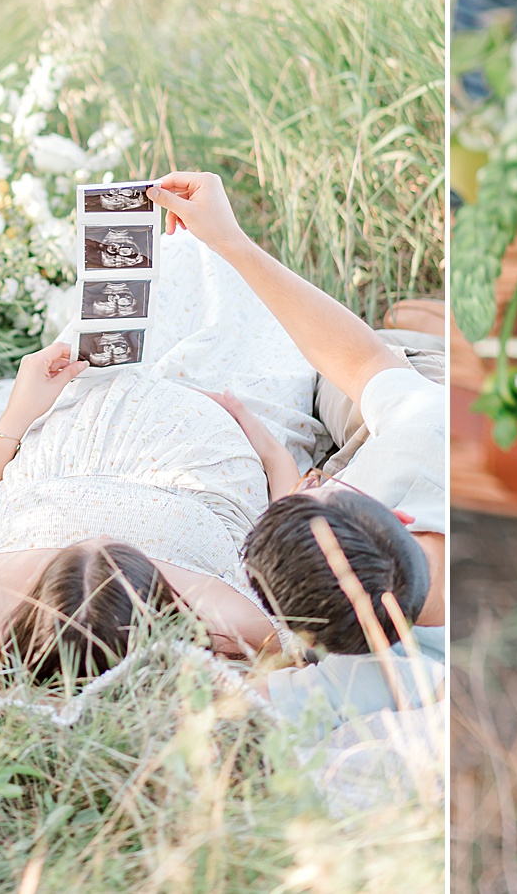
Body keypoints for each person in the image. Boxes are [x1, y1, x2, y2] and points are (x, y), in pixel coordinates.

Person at [0, 218, 332, 681]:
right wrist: (269, 449)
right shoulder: (238, 628)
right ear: (166, 614)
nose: (101, 537)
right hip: (215, 434)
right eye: (129, 557)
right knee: (223, 279)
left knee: (152, 274)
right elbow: (290, 537)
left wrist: (17, 414)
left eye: (66, 558)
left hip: (79, 422)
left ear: (35, 603)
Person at [151, 171, 446, 716]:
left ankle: (429, 331)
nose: (312, 479)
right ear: (397, 518)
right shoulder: (428, 436)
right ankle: (430, 333)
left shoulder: (371, 679)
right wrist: (228, 240)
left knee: (342, 375)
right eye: (320, 486)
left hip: (422, 412)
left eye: (317, 481)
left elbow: (218, 704)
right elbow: (364, 362)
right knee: (351, 370)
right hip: (436, 405)